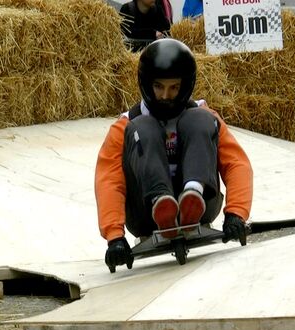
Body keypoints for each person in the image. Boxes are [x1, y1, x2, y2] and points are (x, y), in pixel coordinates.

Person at [95, 39, 254, 272]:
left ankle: (192, 195)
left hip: (201, 205)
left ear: (185, 86)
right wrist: (114, 236)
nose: (165, 96)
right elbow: (109, 180)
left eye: (173, 88)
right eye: (158, 87)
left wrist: (236, 214)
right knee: (142, 127)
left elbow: (236, 164)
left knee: (200, 118)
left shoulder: (205, 115)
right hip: (146, 214)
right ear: (146, 84)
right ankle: (161, 202)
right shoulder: (125, 125)